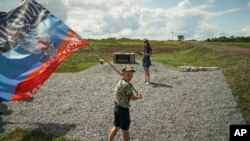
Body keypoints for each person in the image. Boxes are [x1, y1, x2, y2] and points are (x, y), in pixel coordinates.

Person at [108, 65, 142, 141]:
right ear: (122, 74)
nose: (130, 77)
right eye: (128, 74)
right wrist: (138, 97)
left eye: (131, 75)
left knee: (116, 126)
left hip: (117, 108)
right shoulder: (126, 85)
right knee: (125, 130)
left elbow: (126, 90)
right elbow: (132, 98)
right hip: (123, 109)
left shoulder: (121, 82)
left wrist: (129, 84)